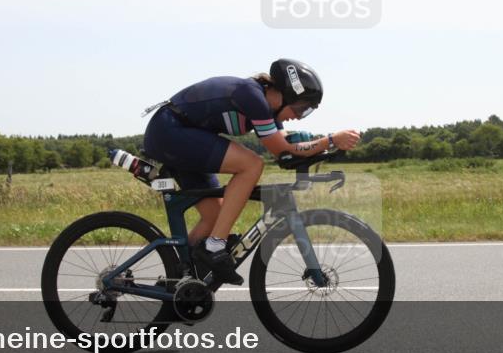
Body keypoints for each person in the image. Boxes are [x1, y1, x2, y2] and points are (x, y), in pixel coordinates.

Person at [141, 59, 360, 284]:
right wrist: (330, 140)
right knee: (252, 164)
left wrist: (323, 147)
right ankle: (214, 247)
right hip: (170, 131)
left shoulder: (267, 110)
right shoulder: (252, 97)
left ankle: (182, 278)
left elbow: (286, 153)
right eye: (300, 108)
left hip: (180, 135)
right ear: (283, 95)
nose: (298, 116)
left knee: (215, 216)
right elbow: (282, 150)